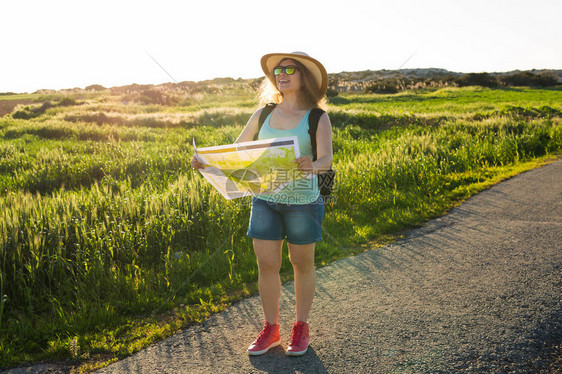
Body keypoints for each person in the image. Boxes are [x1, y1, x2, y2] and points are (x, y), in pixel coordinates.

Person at [191, 52, 333, 356]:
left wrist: (313, 164)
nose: (281, 74)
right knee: (267, 265)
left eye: (289, 69)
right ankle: (271, 329)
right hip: (265, 200)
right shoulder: (263, 114)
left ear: (304, 76)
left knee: (301, 264)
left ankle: (301, 327)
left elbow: (327, 160)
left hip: (303, 203)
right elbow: (237, 151)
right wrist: (206, 162)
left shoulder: (317, 117)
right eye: (277, 70)